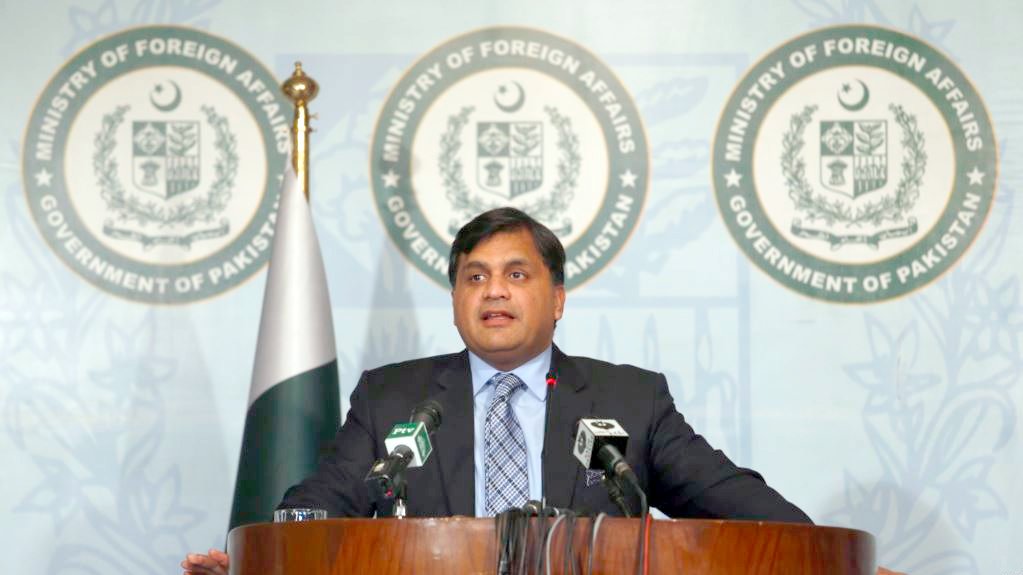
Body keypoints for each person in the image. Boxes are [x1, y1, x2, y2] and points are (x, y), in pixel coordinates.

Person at [183, 207, 903, 575]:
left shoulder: (627, 400)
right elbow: (321, 502)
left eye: (516, 274)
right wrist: (262, 556)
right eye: (474, 277)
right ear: (456, 299)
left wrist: (830, 560)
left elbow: (738, 504)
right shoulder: (393, 399)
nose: (493, 291)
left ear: (557, 299)